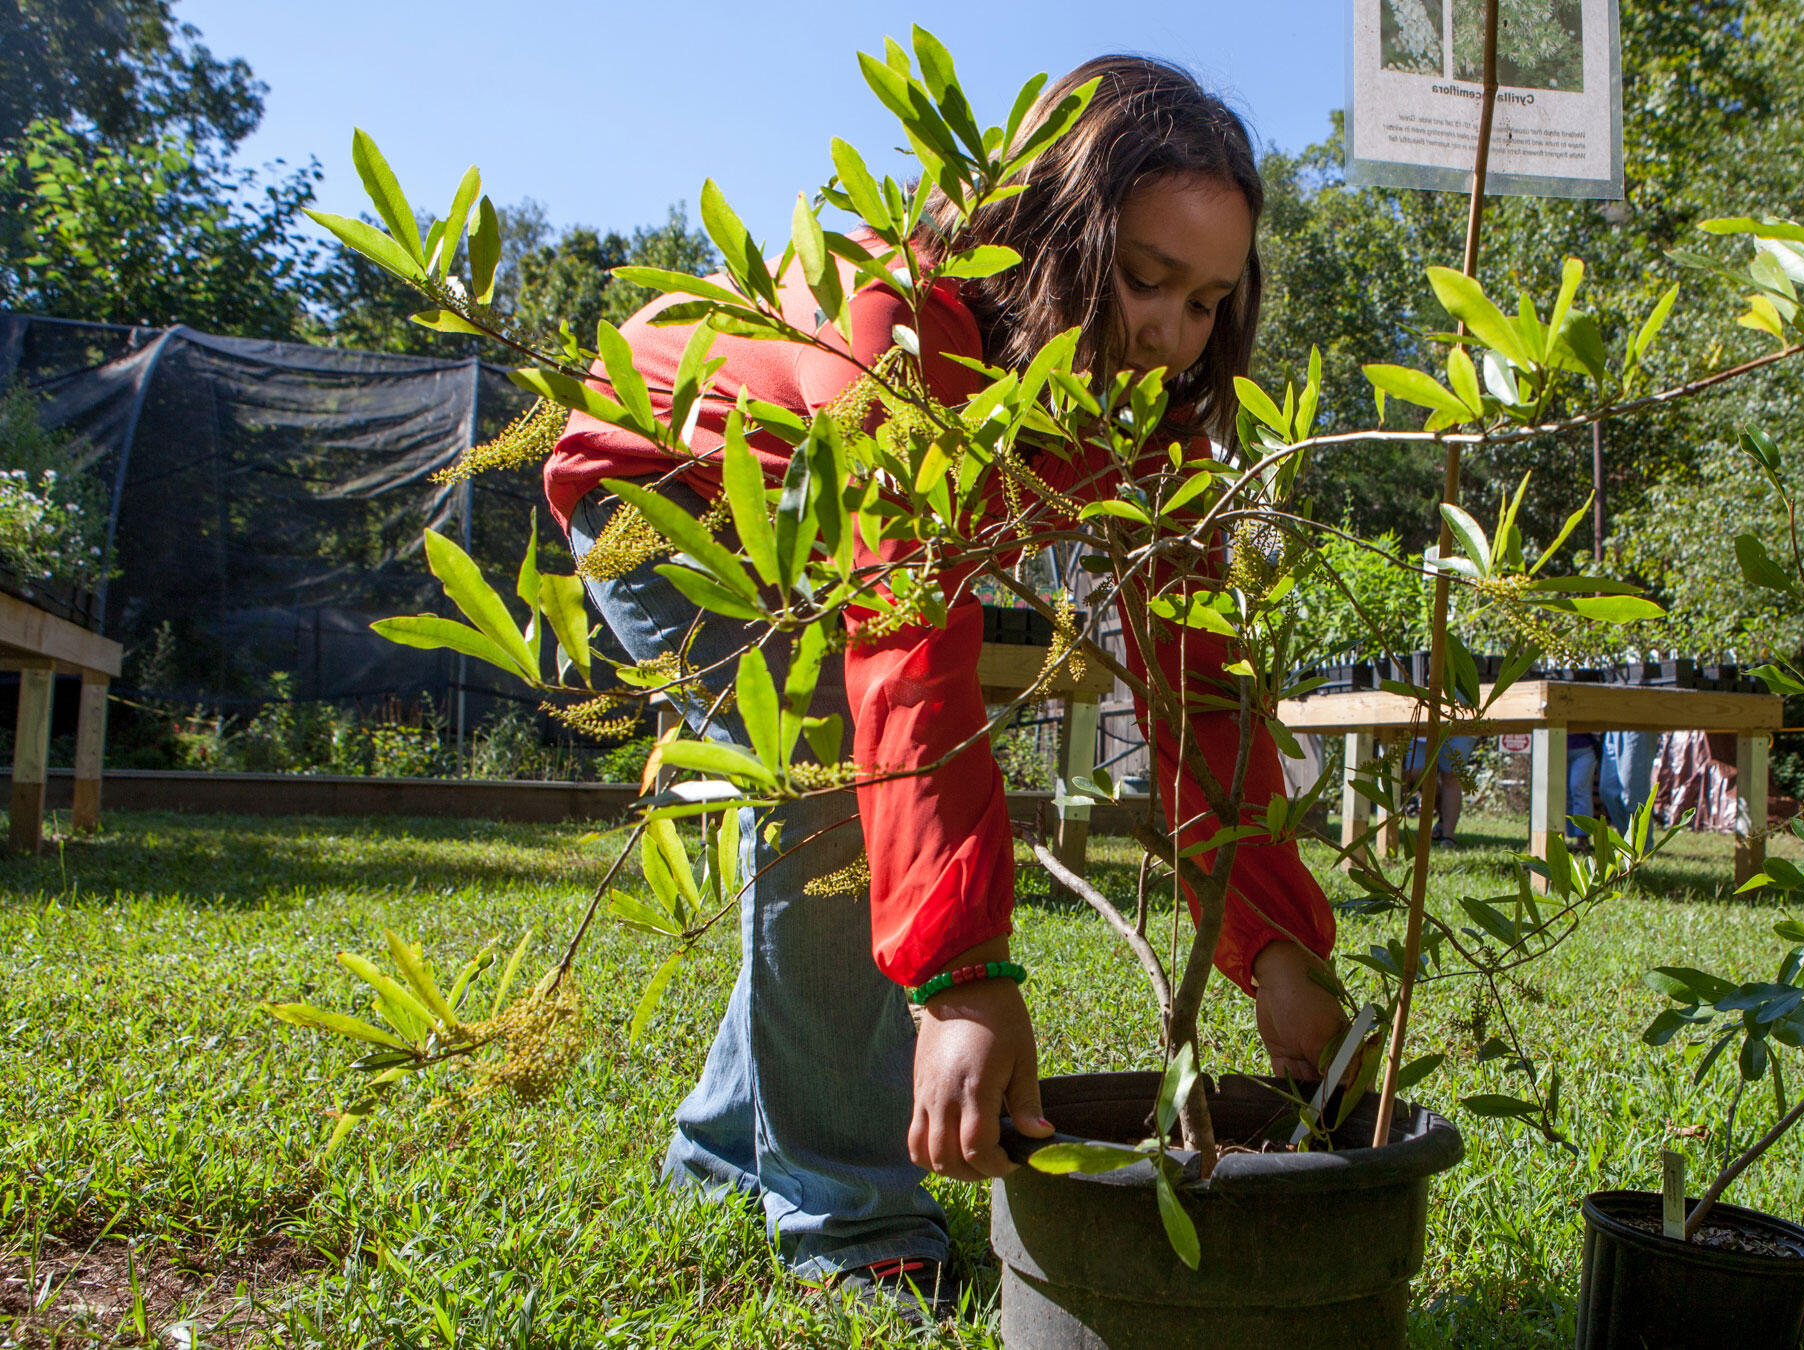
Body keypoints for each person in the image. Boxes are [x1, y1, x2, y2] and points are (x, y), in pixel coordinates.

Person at [541, 56, 1343, 1320]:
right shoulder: (903, 321)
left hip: (820, 548)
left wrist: (1279, 946)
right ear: (1053, 234)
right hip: (667, 493)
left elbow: (1196, 675)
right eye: (1142, 279)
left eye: (1208, 302)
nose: (1168, 333)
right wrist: (961, 971)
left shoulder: (1152, 409)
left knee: (828, 787)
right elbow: (907, 644)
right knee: (825, 775)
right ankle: (851, 1215)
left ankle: (716, 1149)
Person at [1402, 734, 1475, 845]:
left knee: (1451, 776)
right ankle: (1444, 817)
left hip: (1461, 725)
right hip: (1422, 730)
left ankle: (1448, 836)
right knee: (1417, 773)